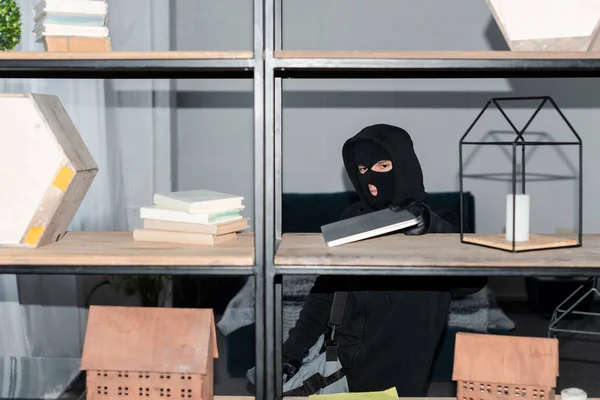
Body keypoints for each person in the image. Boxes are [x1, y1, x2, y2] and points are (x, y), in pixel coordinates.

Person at [281, 124, 487, 396]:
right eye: (363, 170)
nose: (370, 179)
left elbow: (473, 280)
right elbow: (323, 295)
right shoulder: (350, 221)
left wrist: (429, 228)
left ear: (403, 166)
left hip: (404, 379)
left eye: (382, 166)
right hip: (343, 371)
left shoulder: (442, 224)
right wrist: (291, 352)